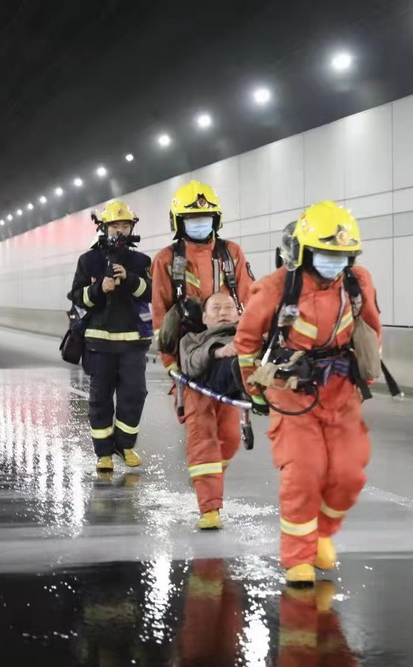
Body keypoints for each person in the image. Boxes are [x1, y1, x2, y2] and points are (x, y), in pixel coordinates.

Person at [234, 201, 382, 585]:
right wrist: (257, 390)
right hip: (292, 391)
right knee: (304, 472)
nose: (335, 262)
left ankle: (322, 535)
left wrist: (365, 372)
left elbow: (371, 329)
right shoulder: (274, 288)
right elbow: (247, 342)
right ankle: (296, 556)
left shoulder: (358, 281)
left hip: (342, 390)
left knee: (349, 473)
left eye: (342, 255)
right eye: (326, 253)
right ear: (302, 250)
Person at [151, 180, 253, 530]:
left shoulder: (231, 254)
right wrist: (170, 364)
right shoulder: (166, 260)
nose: (200, 222)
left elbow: (250, 302)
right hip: (192, 354)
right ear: (179, 222)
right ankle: (209, 507)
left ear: (216, 219)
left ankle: (207, 478)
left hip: (230, 352)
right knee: (202, 431)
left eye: (206, 216)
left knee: (230, 436)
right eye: (193, 217)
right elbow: (161, 315)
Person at [68, 200, 153, 472]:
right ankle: (103, 453)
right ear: (103, 228)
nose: (120, 230)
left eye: (125, 225)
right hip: (99, 344)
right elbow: (77, 299)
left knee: (135, 394)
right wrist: (97, 291)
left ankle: (125, 445)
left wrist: (129, 279)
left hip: (133, 342)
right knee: (100, 399)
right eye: (115, 225)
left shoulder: (141, 261)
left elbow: (152, 294)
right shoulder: (88, 260)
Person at [179, 292, 243, 398]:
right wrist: (217, 352)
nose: (223, 313)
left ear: (238, 314)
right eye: (216, 308)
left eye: (229, 307)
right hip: (223, 370)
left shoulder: (249, 332)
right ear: (204, 317)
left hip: (255, 360)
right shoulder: (193, 338)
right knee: (233, 364)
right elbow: (189, 365)